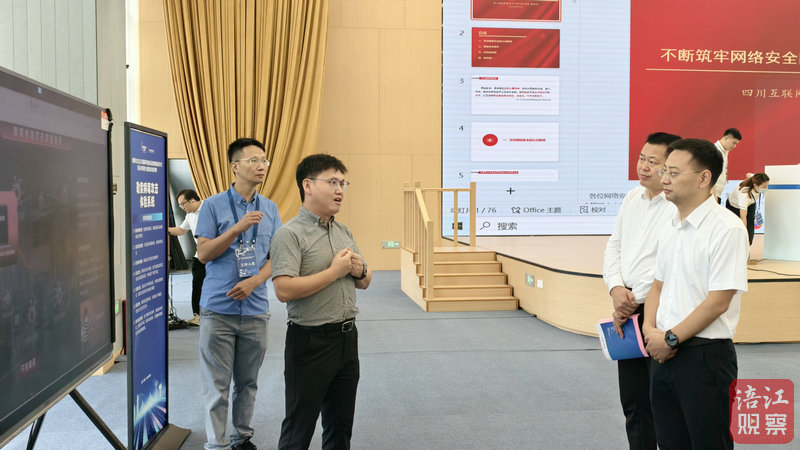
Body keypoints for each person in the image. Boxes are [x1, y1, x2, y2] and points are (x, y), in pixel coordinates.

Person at [643, 138, 749, 450]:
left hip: (703, 357)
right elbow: (657, 286)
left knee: (709, 443)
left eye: (674, 173)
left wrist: (669, 339)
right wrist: (649, 330)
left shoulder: (726, 229)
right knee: (669, 441)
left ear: (704, 178)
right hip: (662, 354)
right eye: (664, 171)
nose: (664, 179)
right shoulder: (671, 225)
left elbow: (718, 302)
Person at [270, 154, 372, 450]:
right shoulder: (289, 234)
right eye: (333, 182)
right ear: (308, 185)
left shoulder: (343, 231)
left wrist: (360, 271)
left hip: (347, 339)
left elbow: (365, 281)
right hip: (310, 342)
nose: (340, 190)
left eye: (343, 183)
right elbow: (283, 290)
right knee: (299, 428)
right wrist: (334, 272)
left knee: (340, 427)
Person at [194, 138, 282, 450]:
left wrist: (255, 281)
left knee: (248, 382)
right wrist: (235, 229)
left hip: (255, 308)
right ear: (235, 166)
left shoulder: (270, 208)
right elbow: (203, 254)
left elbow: (277, 257)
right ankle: (216, 444)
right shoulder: (213, 205)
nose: (261, 166)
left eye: (264, 161)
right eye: (253, 160)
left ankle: (242, 437)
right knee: (216, 384)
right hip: (218, 308)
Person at [603, 132, 681, 450]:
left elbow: (668, 262)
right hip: (627, 305)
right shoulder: (632, 197)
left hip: (659, 309)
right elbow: (615, 245)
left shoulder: (677, 206)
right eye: (641, 158)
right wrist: (615, 287)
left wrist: (632, 299)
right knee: (634, 401)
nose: (644, 166)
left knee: (663, 401)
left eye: (653, 161)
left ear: (671, 167)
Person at [168, 189, 205, 325]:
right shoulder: (190, 215)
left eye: (182, 204)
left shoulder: (210, 208)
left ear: (192, 200)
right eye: (180, 205)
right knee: (197, 285)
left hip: (217, 254)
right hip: (200, 255)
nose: (182, 208)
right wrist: (164, 229)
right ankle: (197, 316)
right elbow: (181, 230)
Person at [725, 172, 769, 245]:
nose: (766, 188)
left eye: (767, 185)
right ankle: (739, 245)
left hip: (751, 202)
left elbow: (748, 174)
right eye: (764, 186)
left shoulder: (755, 179)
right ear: (755, 185)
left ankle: (748, 245)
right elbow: (743, 218)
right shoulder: (744, 195)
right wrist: (744, 235)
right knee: (737, 227)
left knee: (750, 223)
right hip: (734, 206)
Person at [712, 128, 742, 201]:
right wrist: (713, 194)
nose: (734, 146)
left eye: (736, 144)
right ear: (726, 138)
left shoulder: (725, 152)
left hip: (718, 193)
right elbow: (711, 174)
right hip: (712, 194)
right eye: (734, 143)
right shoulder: (714, 150)